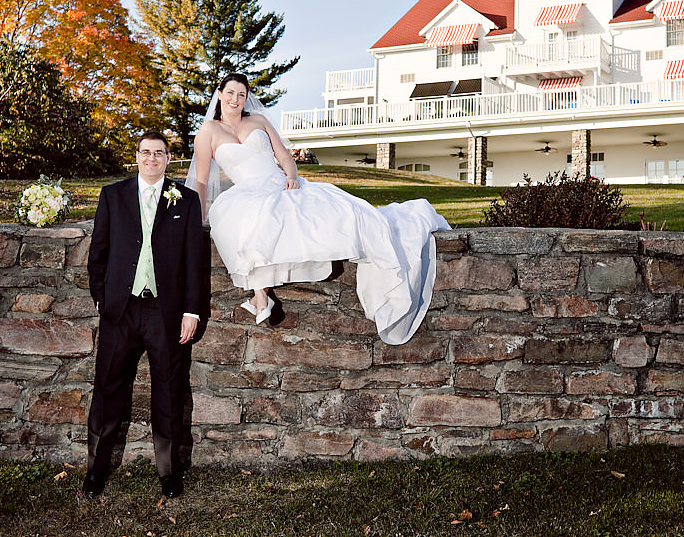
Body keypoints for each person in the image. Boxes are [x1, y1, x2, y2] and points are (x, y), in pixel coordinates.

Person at [187, 73, 451, 345]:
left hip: (281, 184)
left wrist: (290, 176)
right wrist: (197, 216)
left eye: (241, 95)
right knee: (249, 221)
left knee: (346, 214)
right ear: (220, 94)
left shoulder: (258, 121)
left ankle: (260, 296)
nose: (235, 99)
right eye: (230, 93)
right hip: (247, 191)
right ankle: (260, 294)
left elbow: (284, 156)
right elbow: (203, 179)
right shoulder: (209, 131)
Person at [85, 131, 208, 498]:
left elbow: (194, 261)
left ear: (169, 159)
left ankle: (169, 473)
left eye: (159, 153)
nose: (151, 159)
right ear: (136, 157)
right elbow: (98, 254)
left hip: (165, 312)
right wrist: (101, 300)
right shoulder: (113, 196)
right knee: (107, 390)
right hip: (119, 312)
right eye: (145, 153)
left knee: (169, 393)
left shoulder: (185, 200)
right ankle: (95, 470)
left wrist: (192, 311)